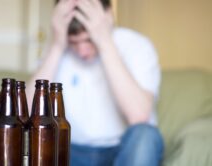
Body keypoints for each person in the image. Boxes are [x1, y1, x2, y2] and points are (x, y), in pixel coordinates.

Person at [27, 0, 164, 165]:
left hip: (122, 150)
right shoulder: (58, 47)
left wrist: (104, 41)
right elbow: (25, 116)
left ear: (108, 16)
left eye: (88, 39)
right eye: (74, 42)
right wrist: (57, 45)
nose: (82, 52)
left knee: (146, 136)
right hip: (70, 152)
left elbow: (139, 115)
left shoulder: (137, 46)